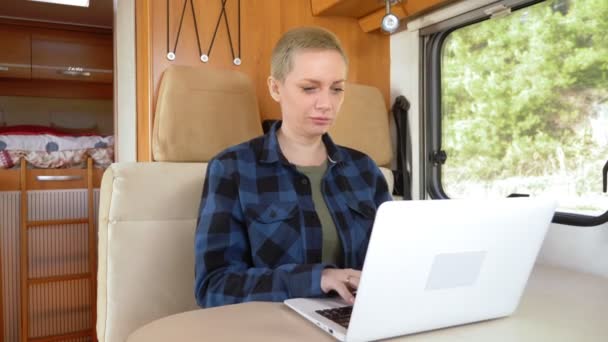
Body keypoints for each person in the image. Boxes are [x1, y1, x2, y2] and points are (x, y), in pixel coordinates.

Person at [194, 26, 392, 308]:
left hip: (356, 321)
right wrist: (317, 278)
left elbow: (391, 263)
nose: (326, 104)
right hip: (271, 329)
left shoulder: (364, 169)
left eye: (337, 89)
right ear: (275, 88)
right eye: (309, 88)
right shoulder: (231, 169)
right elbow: (214, 287)